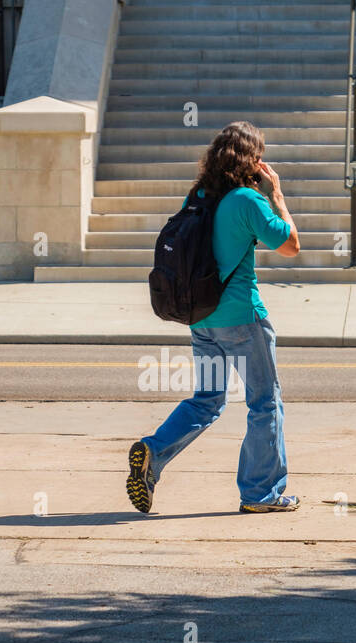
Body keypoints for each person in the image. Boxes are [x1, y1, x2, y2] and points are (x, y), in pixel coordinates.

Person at [126, 121, 301, 515]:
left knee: (207, 399)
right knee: (265, 403)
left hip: (202, 319)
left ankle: (153, 452)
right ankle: (261, 494)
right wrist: (277, 196)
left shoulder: (200, 195)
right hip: (243, 318)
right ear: (252, 161)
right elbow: (291, 245)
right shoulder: (247, 201)